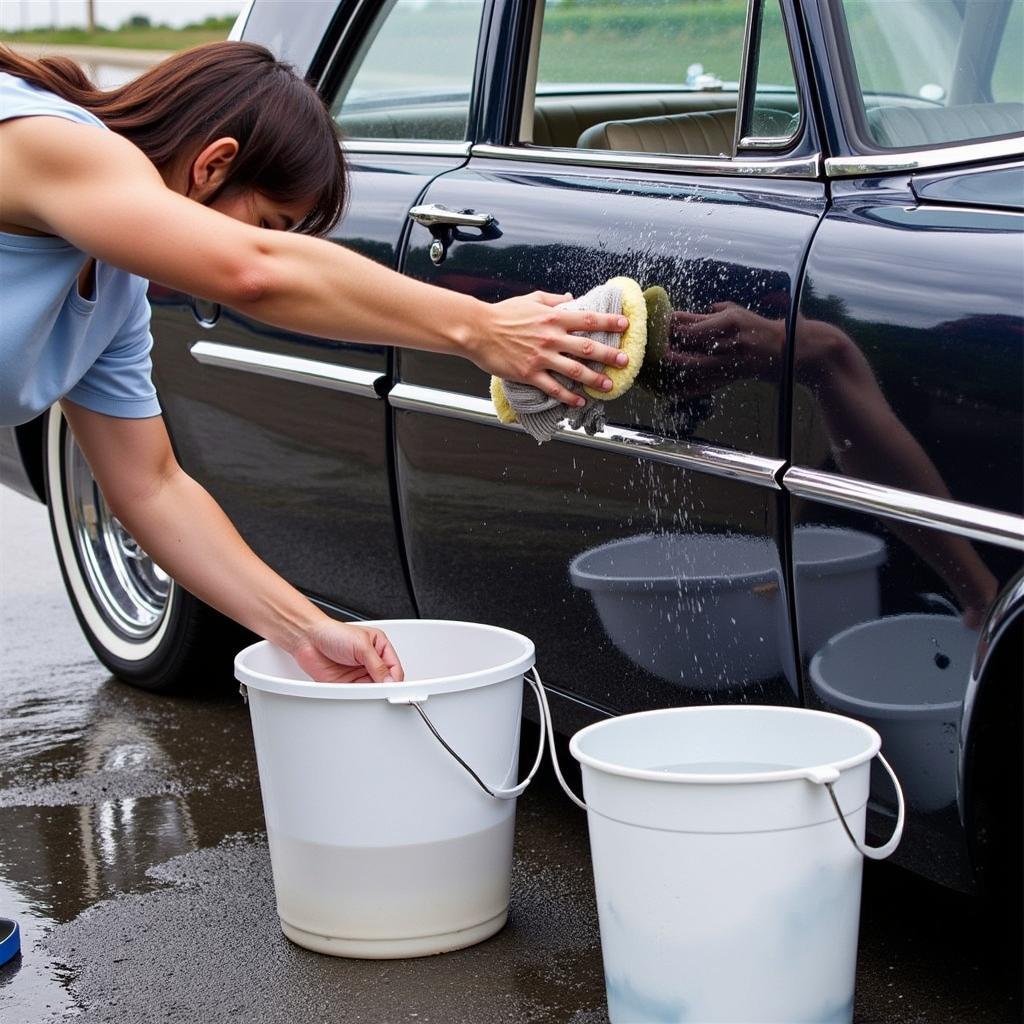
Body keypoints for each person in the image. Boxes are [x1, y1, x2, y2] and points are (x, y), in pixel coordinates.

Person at [0, 42, 631, 683]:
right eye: (271, 222)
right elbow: (254, 270)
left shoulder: (113, 293)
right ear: (214, 166)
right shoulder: (51, 141)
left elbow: (151, 487)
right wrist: (481, 328)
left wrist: (308, 632)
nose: (268, 241)